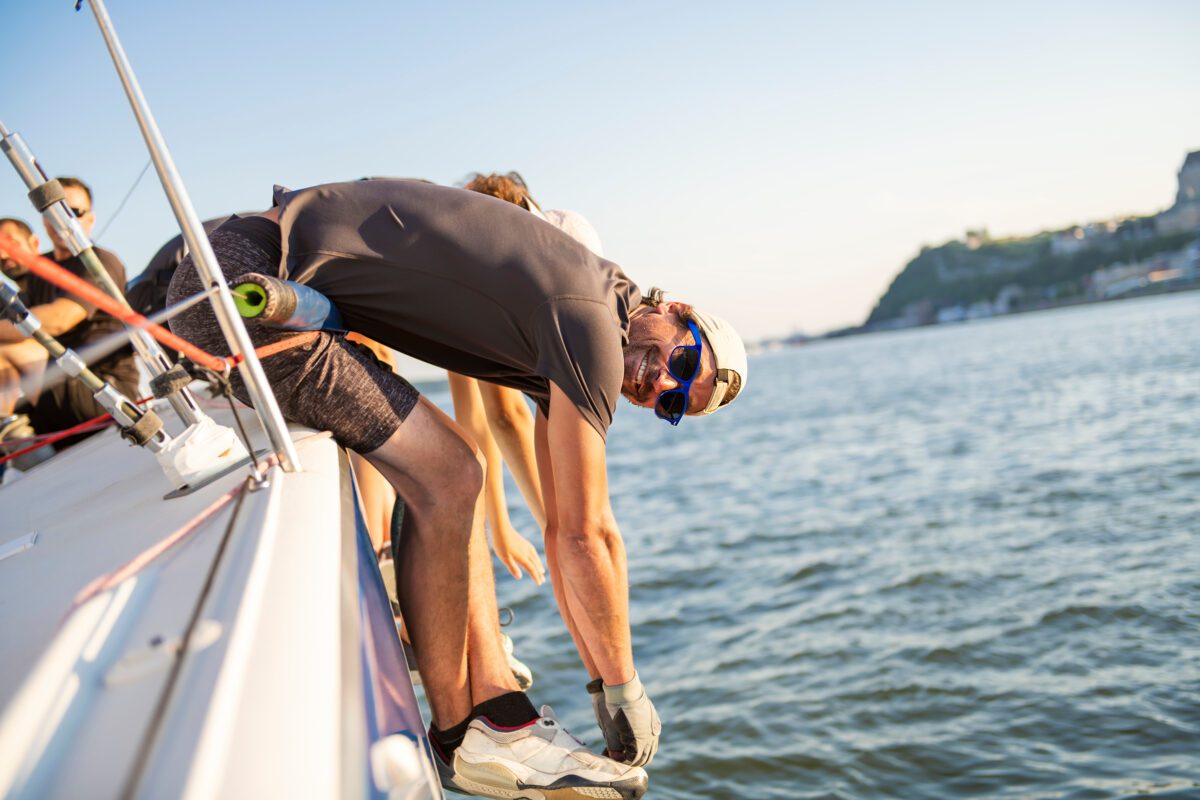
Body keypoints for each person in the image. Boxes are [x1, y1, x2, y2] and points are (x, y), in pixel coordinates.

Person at [166, 179, 747, 800]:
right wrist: (628, 685)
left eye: (674, 405)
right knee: (451, 471)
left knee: (460, 464)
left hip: (244, 280)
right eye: (683, 365)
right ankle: (461, 733)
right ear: (676, 311)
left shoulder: (595, 316)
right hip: (245, 293)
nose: (661, 385)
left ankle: (497, 713)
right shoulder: (593, 324)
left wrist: (603, 686)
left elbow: (560, 529)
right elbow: (590, 534)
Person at [0, 178, 139, 454]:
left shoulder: (98, 260)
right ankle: (14, 439)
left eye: (73, 211)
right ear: (45, 222)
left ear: (90, 218)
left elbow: (59, 318)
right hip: (55, 389)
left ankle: (10, 433)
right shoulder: (39, 272)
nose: (63, 219)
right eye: (53, 212)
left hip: (101, 390)